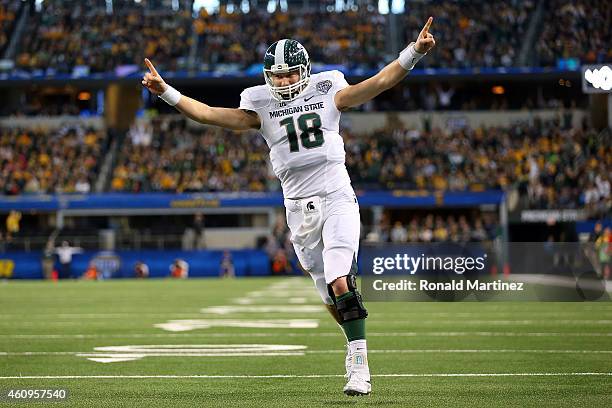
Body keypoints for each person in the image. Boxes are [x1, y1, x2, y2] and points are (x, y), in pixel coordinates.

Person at [142, 17, 436, 396]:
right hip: (298, 209)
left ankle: (360, 364)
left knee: (339, 277)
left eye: (288, 74)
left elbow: (376, 83)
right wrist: (166, 92)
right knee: (331, 295)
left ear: (306, 71)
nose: (282, 82)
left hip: (335, 195)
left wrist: (413, 52)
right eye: (276, 76)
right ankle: (351, 341)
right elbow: (211, 114)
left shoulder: (328, 88)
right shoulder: (259, 105)